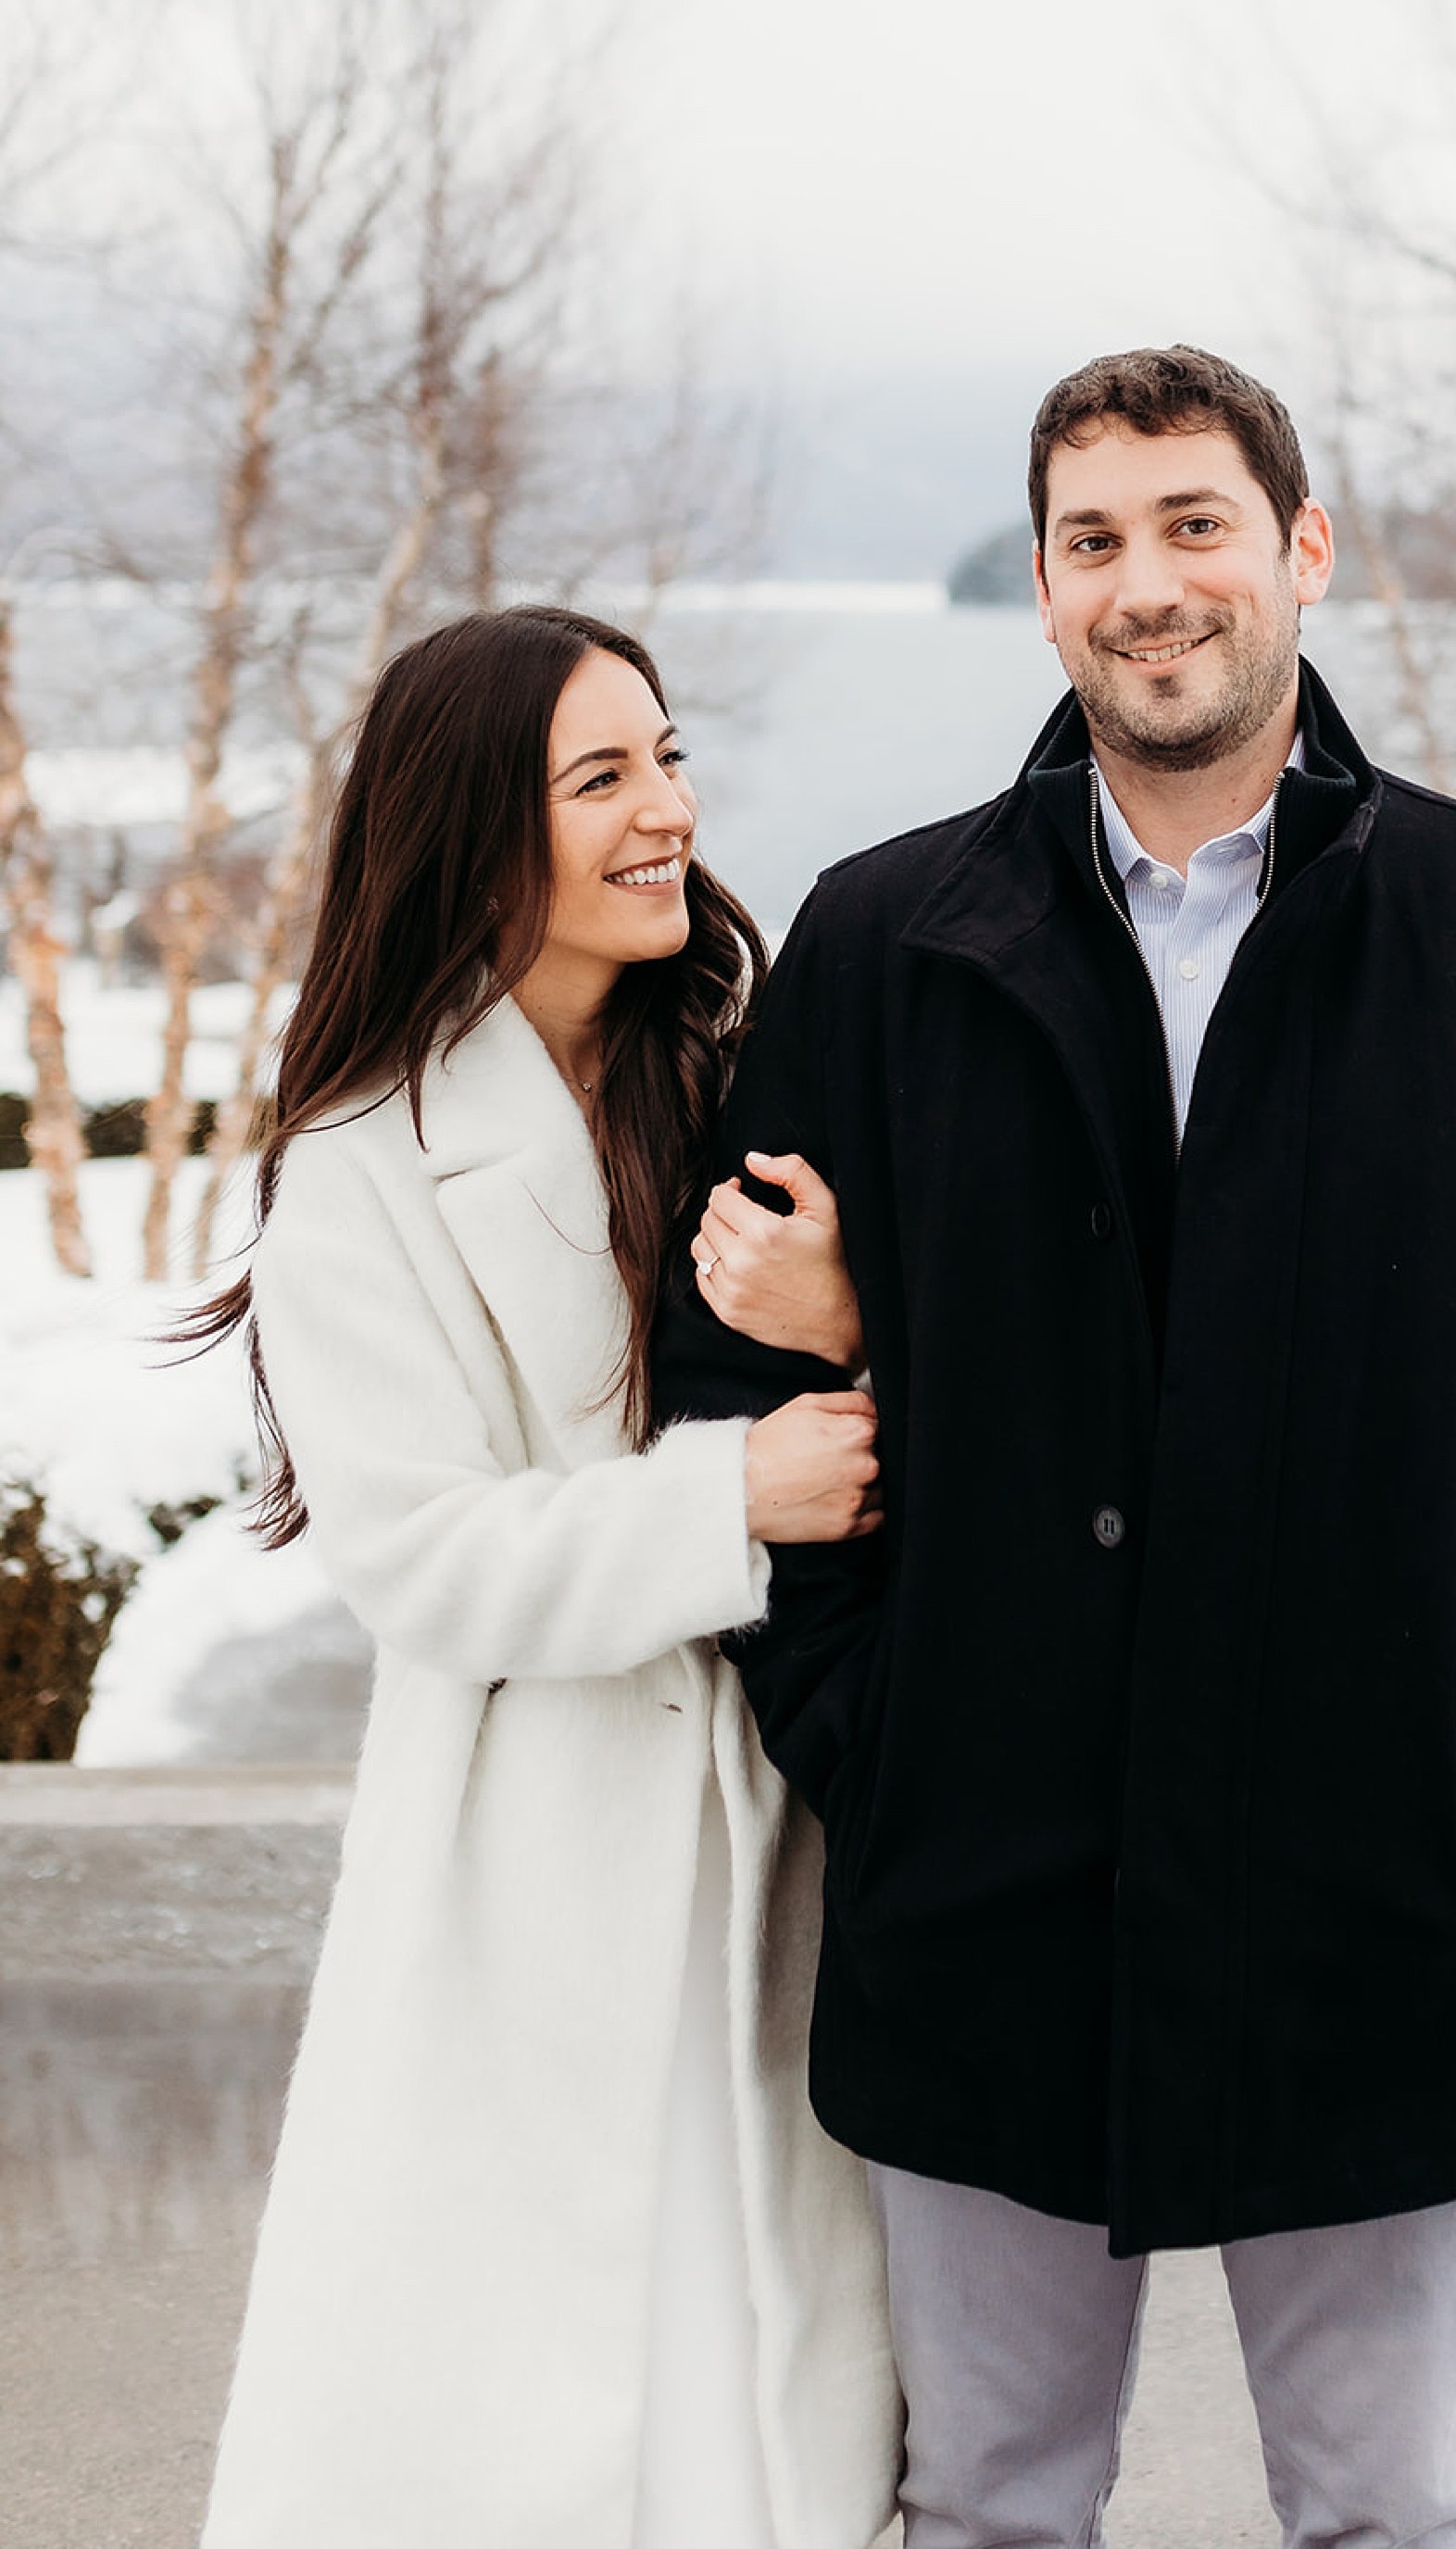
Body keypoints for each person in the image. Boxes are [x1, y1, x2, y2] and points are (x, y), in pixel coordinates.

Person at [655, 345, 1456, 2549]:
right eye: (1091, 541)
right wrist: (874, 1722)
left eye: (1192, 525)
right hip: (979, 1879)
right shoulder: (880, 942)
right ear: (1043, 591)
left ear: (1299, 552)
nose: (1145, 585)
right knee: (982, 2511)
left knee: (1386, 2516)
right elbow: (741, 1357)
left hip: (1376, 1877)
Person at [192, 607, 899, 2549]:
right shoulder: (362, 1161)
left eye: (666, 758)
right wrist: (728, 1498)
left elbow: (926, 1371)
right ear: (470, 833)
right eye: (602, 778)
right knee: (540, 2422)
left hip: (780, 1835)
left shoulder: (751, 1077)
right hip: (529, 1884)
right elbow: (420, 1558)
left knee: (768, 2401)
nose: (667, 810)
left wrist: (854, 1325)